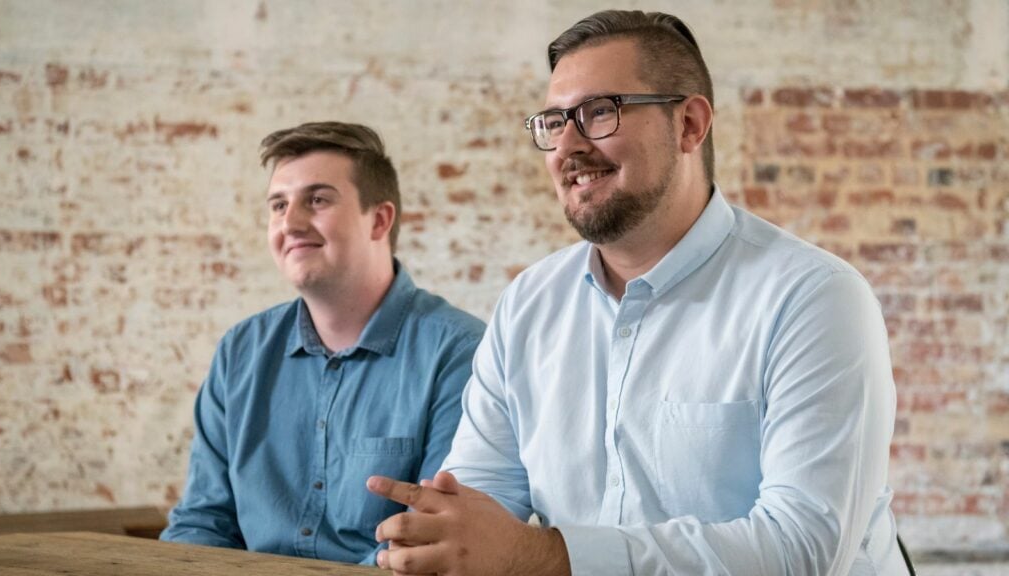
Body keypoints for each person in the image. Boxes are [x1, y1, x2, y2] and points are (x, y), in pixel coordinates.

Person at [368, 10, 909, 576]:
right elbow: (477, 508)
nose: (568, 147)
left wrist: (546, 557)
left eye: (601, 112)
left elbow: (801, 549)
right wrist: (436, 539)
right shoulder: (529, 304)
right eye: (554, 122)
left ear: (689, 126)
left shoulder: (814, 299)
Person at [161, 121, 485, 565]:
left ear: (380, 220)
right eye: (278, 205)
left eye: (317, 200)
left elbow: (428, 540)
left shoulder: (459, 352)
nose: (289, 223)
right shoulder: (240, 352)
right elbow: (202, 521)